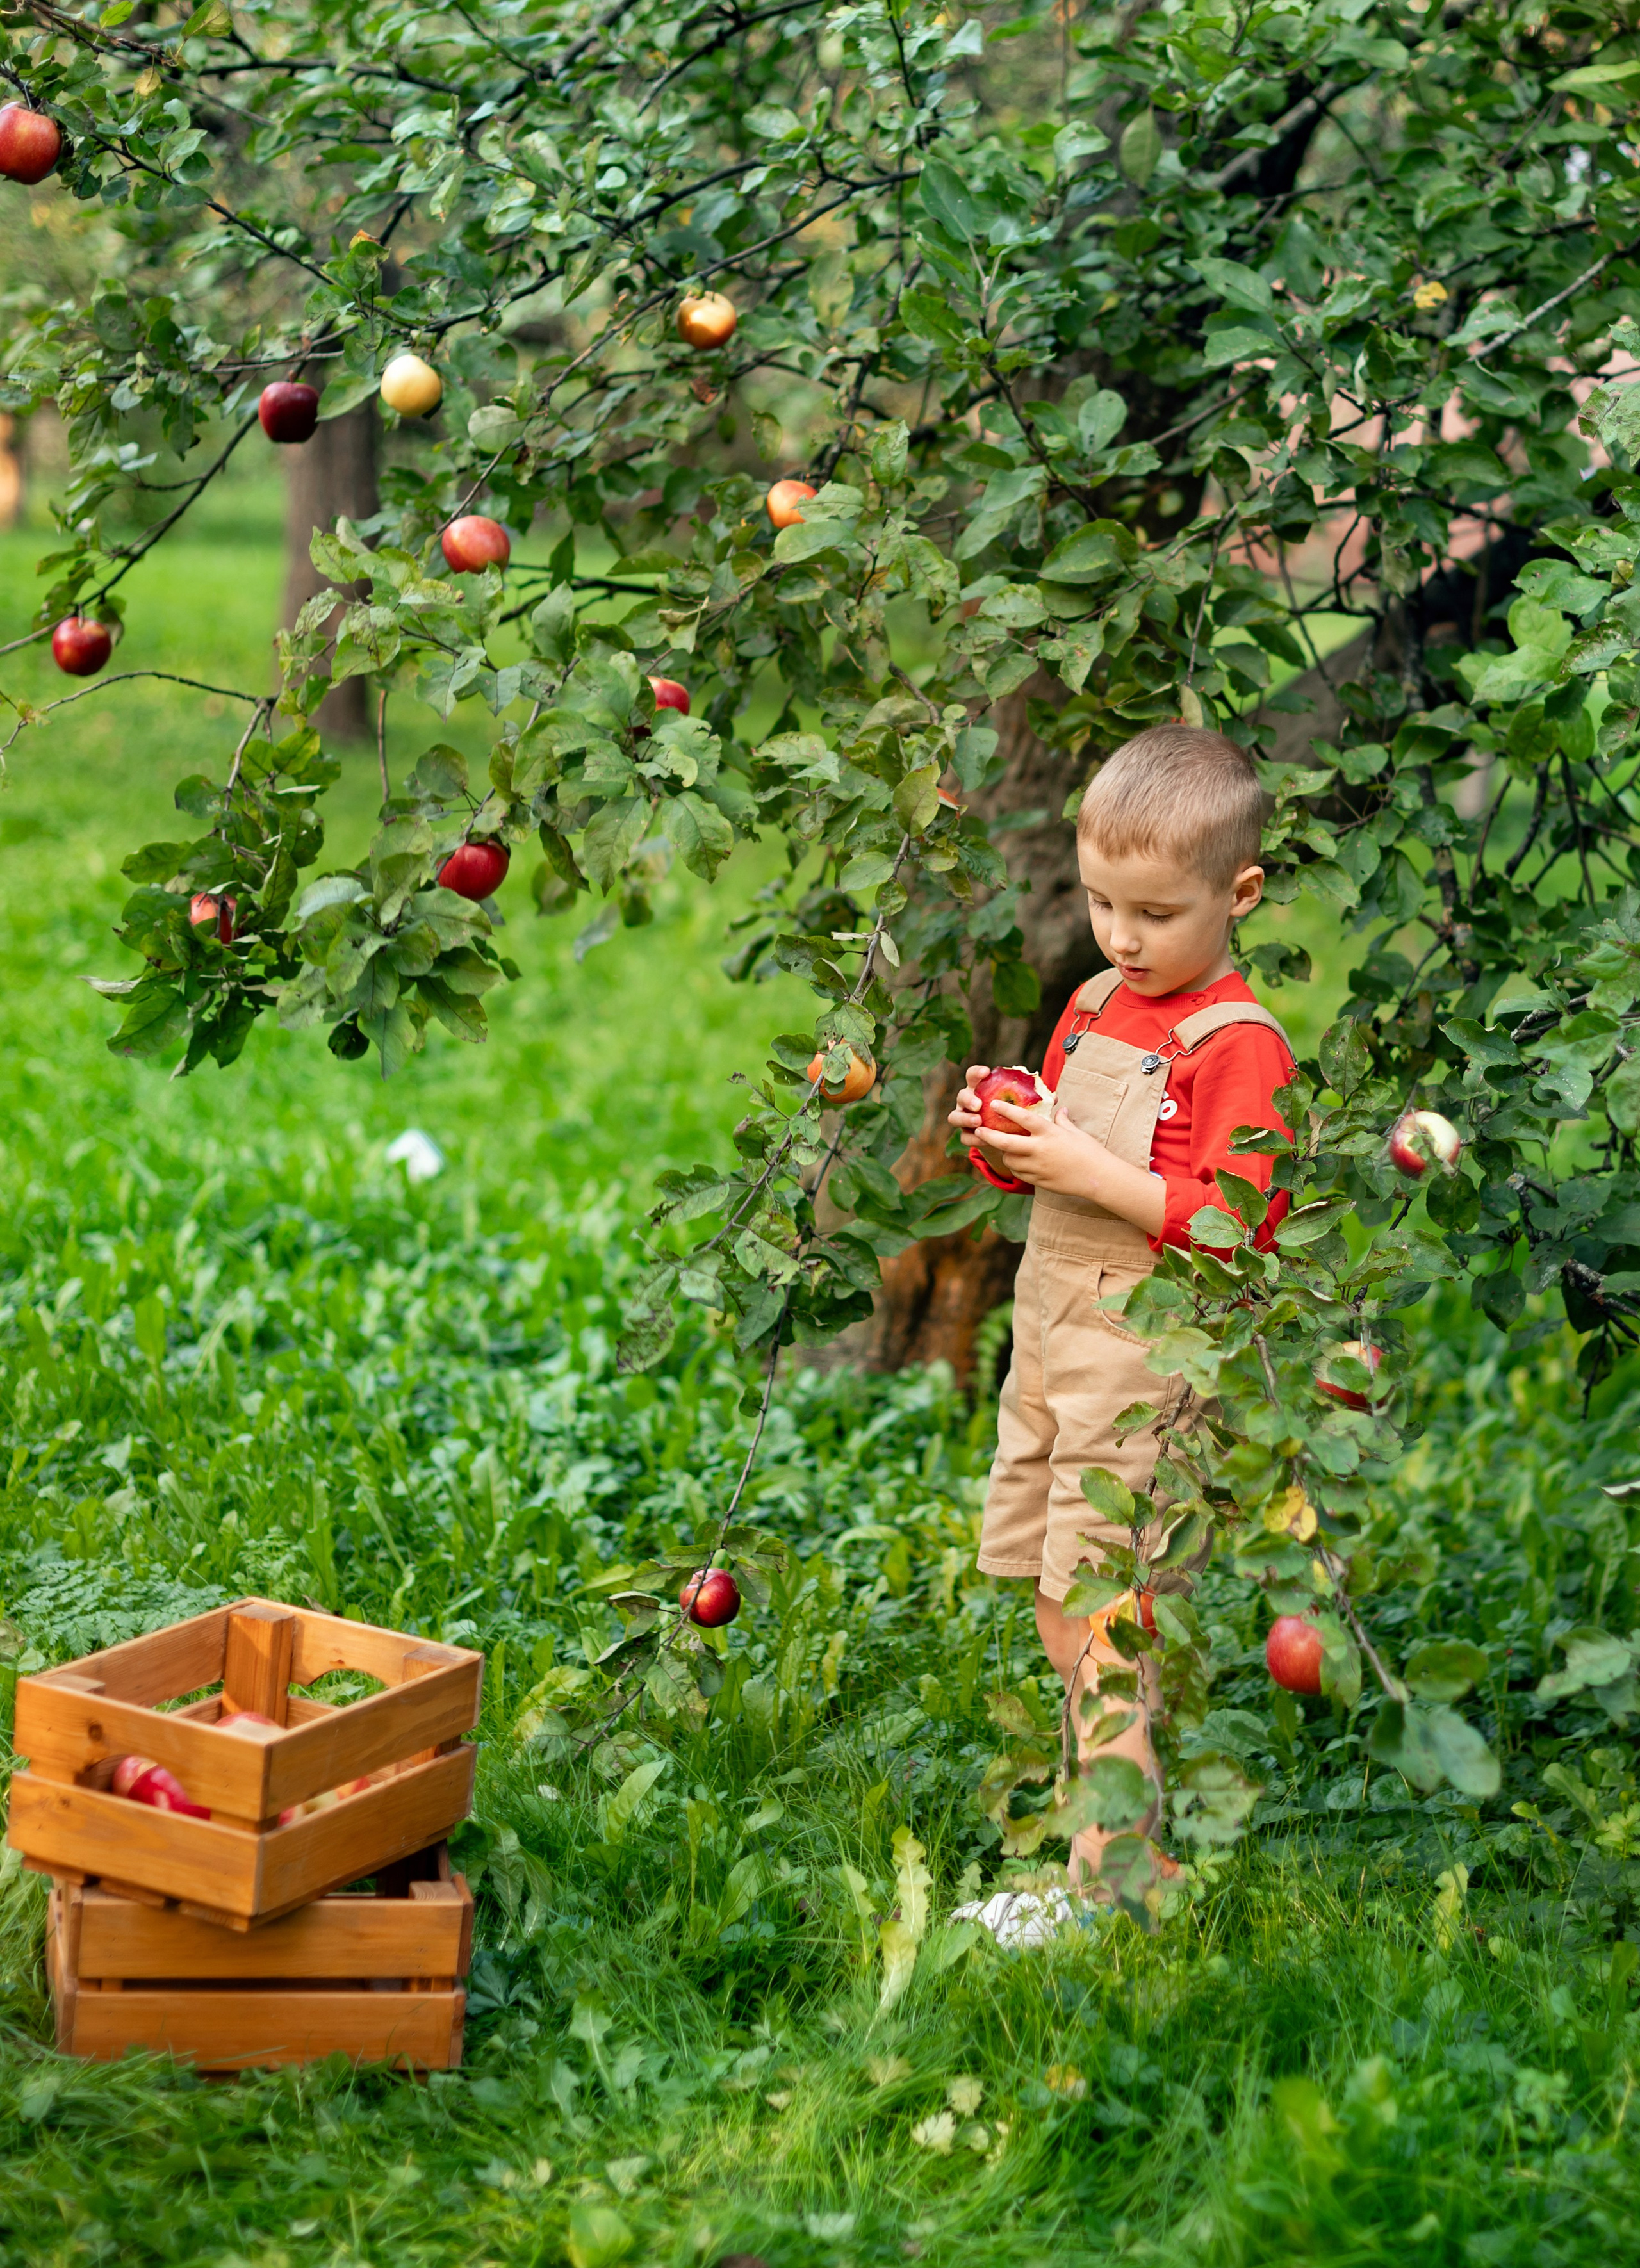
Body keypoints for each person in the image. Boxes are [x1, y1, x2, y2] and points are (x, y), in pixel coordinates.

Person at [949, 722, 1295, 1909]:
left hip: (1150, 1357)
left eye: (1153, 912)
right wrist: (1007, 1144)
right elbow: (1057, 1164)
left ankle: (1118, 1877)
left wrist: (1078, 1162)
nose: (1120, 936)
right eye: (1102, 902)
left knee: (1106, 1615)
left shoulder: (1238, 1046)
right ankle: (1111, 1851)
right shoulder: (1097, 1001)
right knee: (1065, 1605)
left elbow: (1236, 1225)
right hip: (1053, 1336)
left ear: (1238, 893)